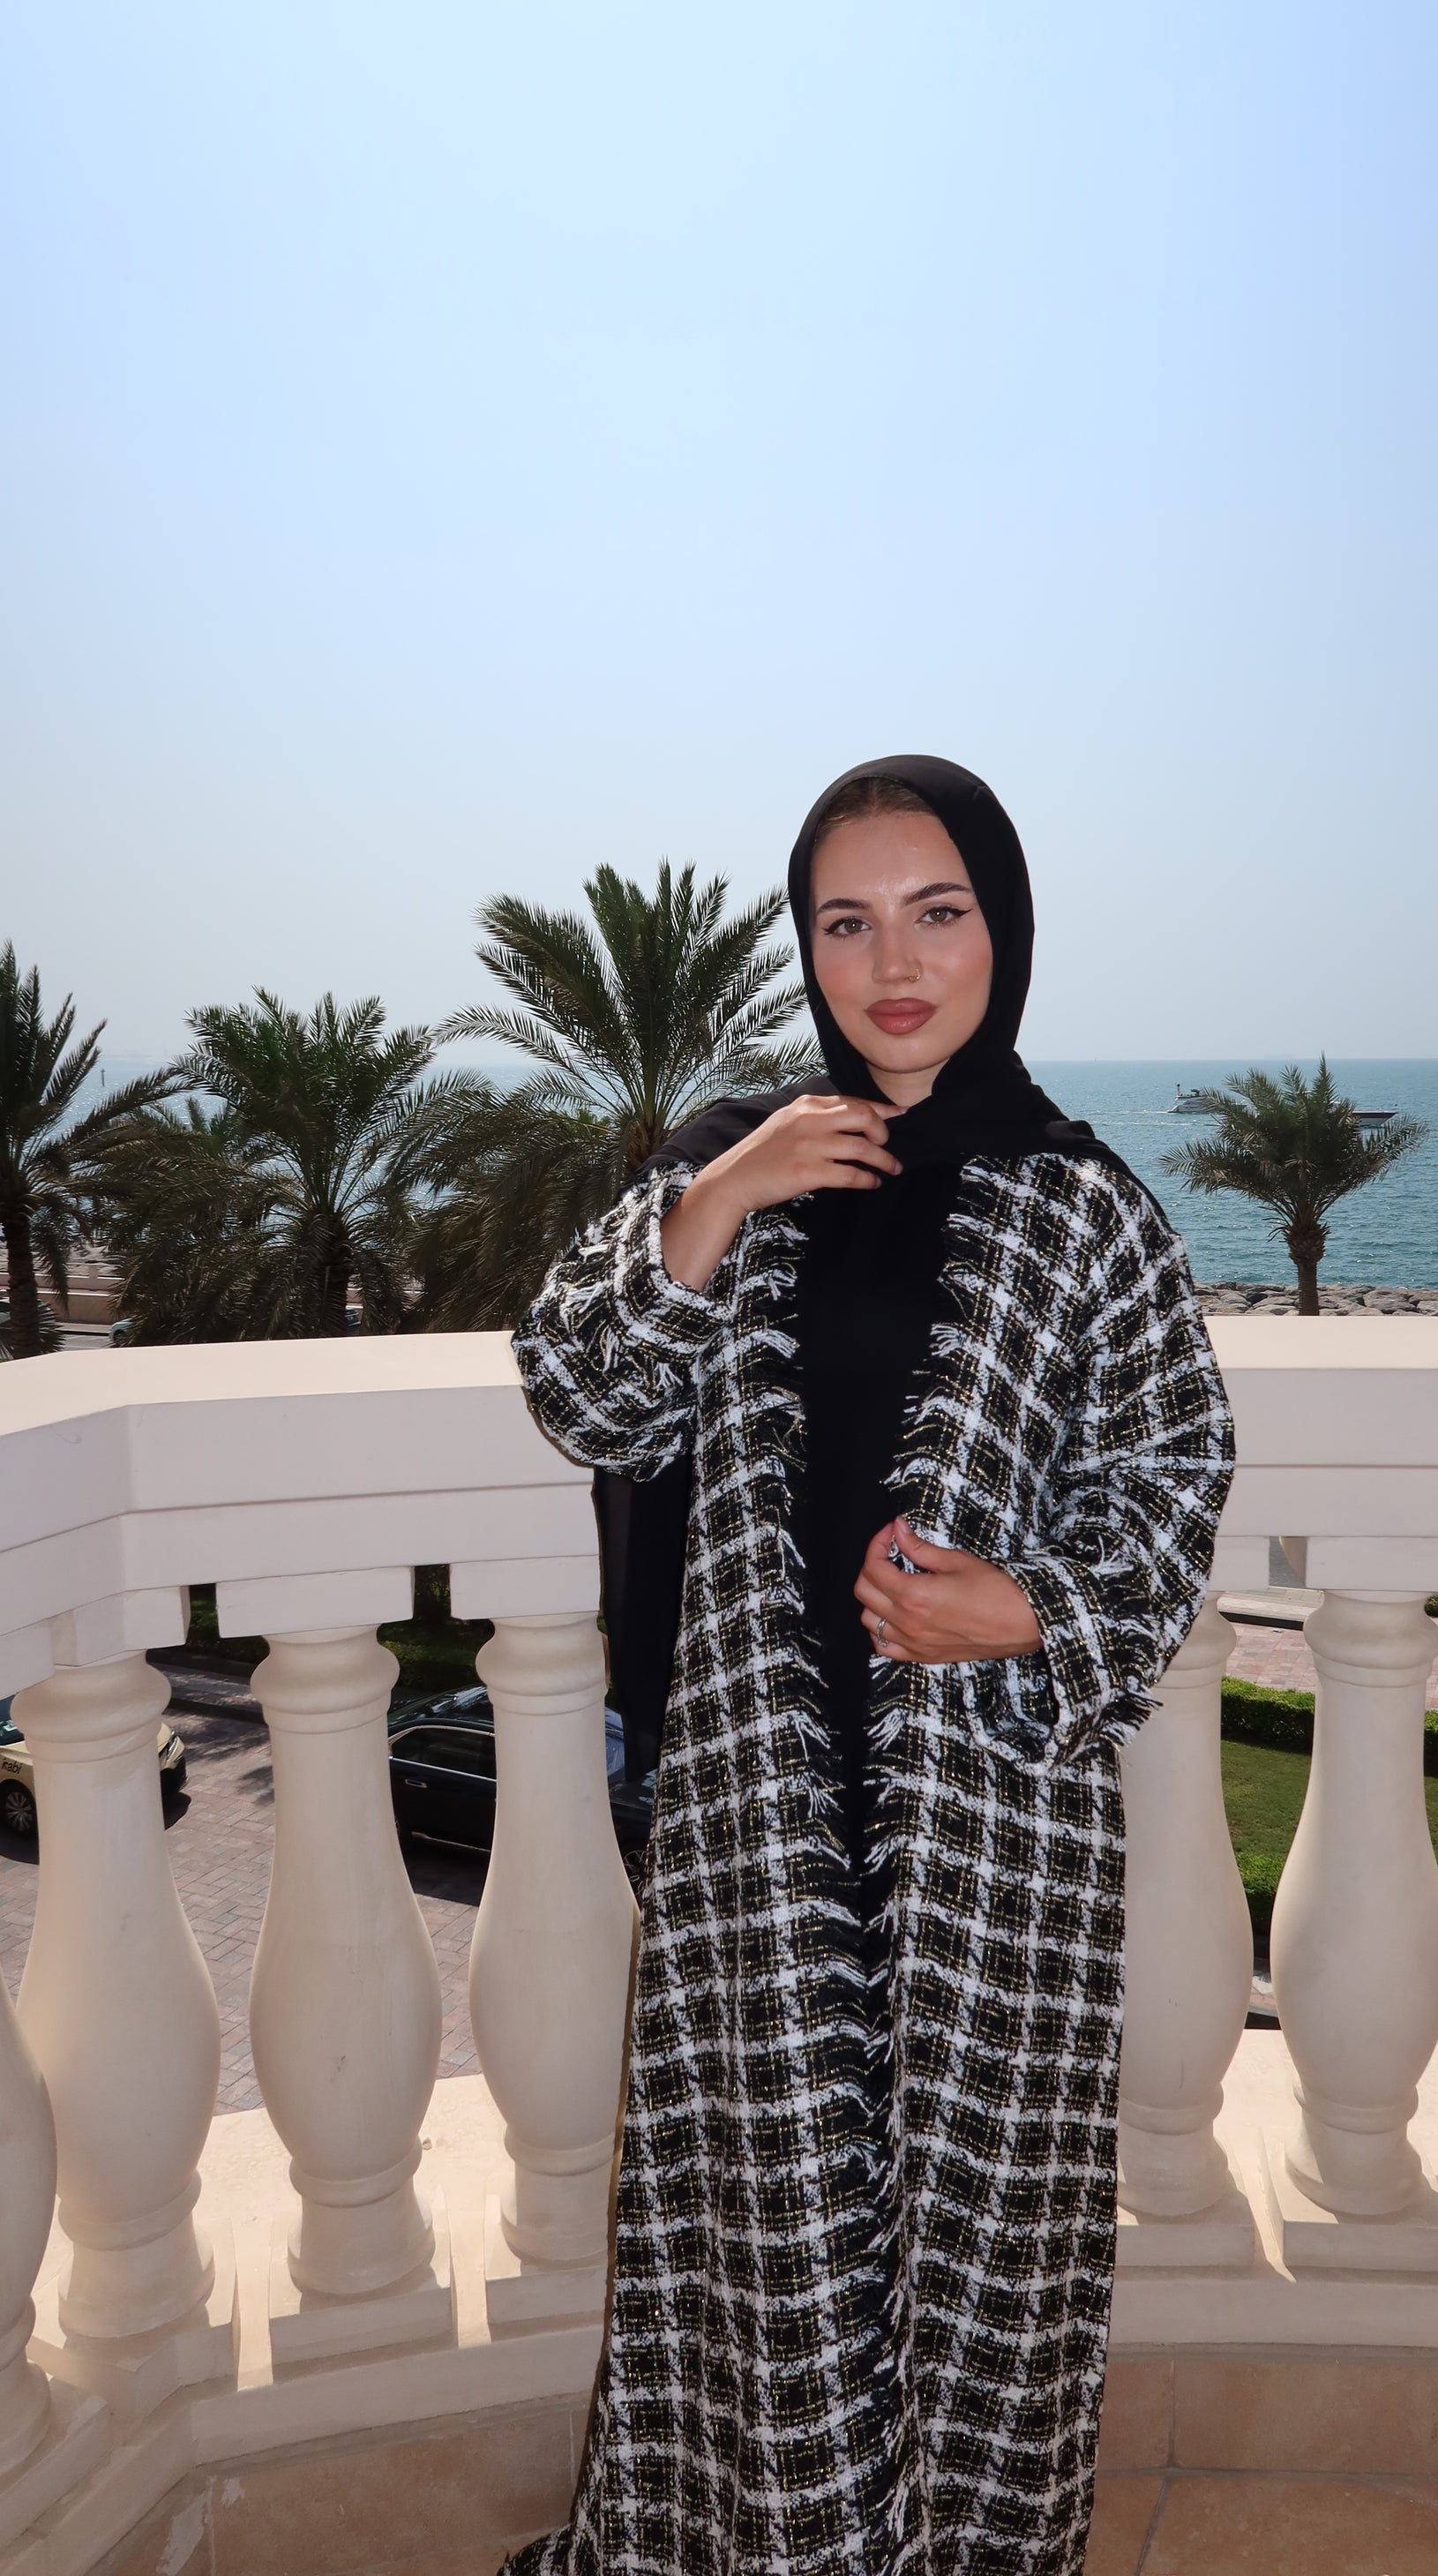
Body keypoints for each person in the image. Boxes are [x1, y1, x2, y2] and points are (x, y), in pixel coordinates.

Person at [506, 756, 1234, 2576]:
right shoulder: (739, 1158)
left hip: (1001, 1846)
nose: (892, 964)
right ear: (805, 944)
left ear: (1004, 925)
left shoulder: (1088, 1207)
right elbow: (580, 1391)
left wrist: (1033, 1606)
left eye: (936, 912)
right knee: (760, 2274)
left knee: (985, 2271)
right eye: (846, 922)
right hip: (755, 1832)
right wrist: (719, 1192)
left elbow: (1171, 1474)